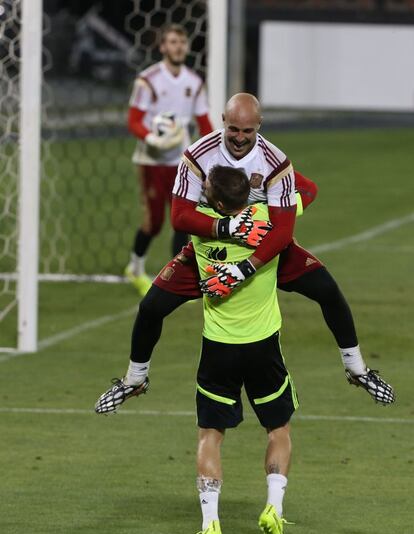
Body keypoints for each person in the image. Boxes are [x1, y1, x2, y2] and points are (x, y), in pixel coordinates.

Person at [94, 93, 395, 415]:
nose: (239, 137)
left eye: (247, 131)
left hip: (264, 251)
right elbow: (179, 217)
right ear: (223, 122)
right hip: (208, 252)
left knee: (328, 291)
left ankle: (357, 368)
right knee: (151, 307)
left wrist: (247, 259)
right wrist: (231, 226)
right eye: (233, 129)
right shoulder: (198, 156)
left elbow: (285, 225)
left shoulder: (275, 161)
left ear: (259, 127)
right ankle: (135, 379)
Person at [193, 165, 297, 534]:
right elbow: (307, 190)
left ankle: (209, 522)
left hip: (218, 345)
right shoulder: (268, 221)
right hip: (263, 345)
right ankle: (274, 505)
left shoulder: (199, 227)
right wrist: (264, 180)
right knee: (278, 428)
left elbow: (183, 208)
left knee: (210, 435)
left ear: (216, 201)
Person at [125, 23, 213, 296]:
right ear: (162, 47)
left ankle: (177, 280)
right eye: (172, 42)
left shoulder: (194, 83)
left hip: (181, 163)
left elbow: (204, 123)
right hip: (151, 162)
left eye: (182, 42)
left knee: (182, 220)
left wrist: (210, 157)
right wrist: (152, 138)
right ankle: (135, 268)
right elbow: (134, 120)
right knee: (154, 222)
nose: (178, 47)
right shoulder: (148, 80)